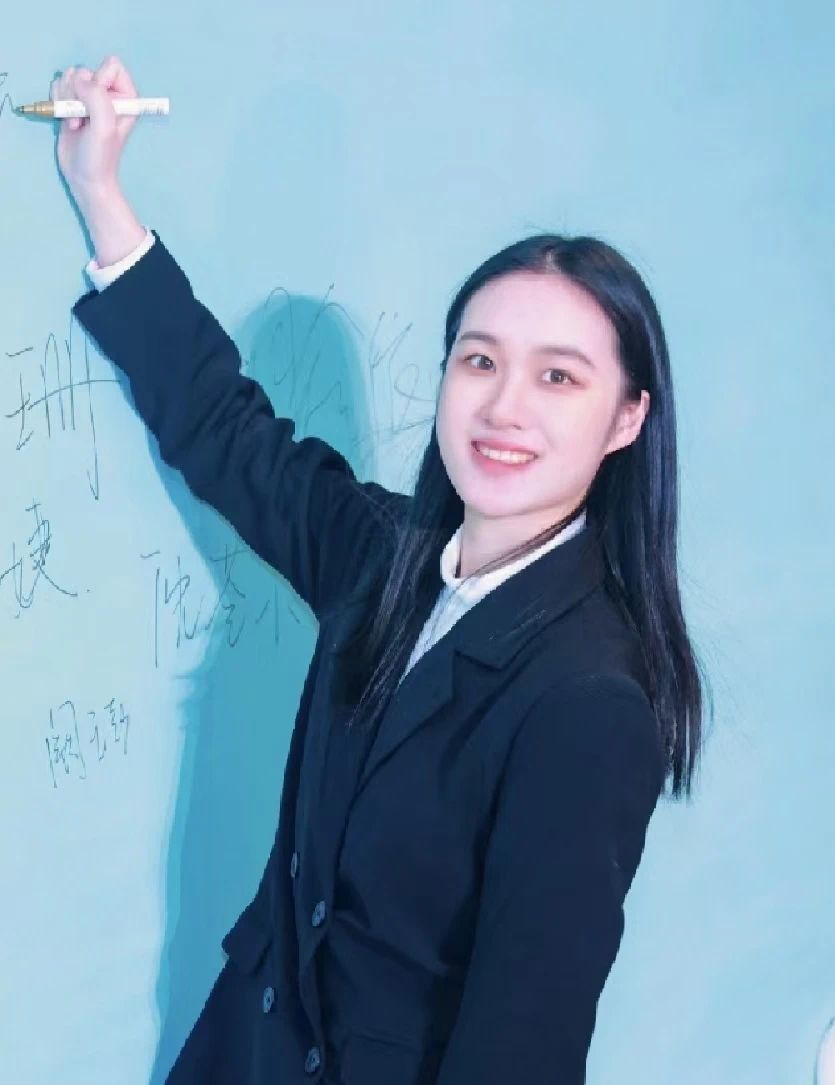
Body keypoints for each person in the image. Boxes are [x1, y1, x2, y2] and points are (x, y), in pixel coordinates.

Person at [53, 55, 709, 1085]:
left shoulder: (589, 699)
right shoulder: (384, 556)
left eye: (558, 377)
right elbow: (230, 432)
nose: (504, 408)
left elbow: (520, 1047)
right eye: (479, 359)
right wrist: (101, 193)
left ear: (626, 418)